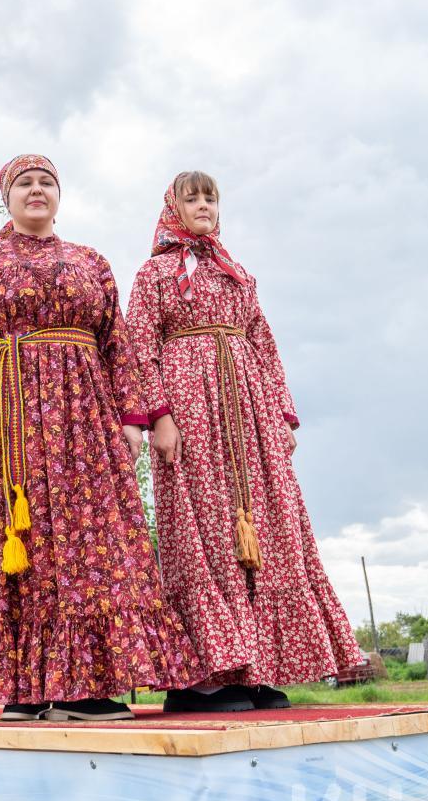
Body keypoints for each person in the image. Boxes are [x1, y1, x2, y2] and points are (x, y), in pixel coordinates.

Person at [0, 155, 204, 722]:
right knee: (22, 540)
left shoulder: (92, 262)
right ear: (7, 197)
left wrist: (133, 417)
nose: (36, 190)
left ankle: (86, 688)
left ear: (59, 196)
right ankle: (25, 689)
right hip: (10, 421)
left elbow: (118, 344)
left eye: (46, 183)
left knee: (93, 539)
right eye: (24, 183)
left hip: (86, 421)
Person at [127, 171, 366, 712]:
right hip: (190, 412)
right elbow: (140, 346)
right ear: (173, 208)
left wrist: (281, 414)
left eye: (210, 198)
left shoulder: (237, 274)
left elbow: (264, 343)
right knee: (205, 527)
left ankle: (256, 670)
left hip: (250, 414)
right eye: (192, 198)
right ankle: (205, 679)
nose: (204, 205)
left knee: (270, 527)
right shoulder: (154, 274)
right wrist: (159, 416)